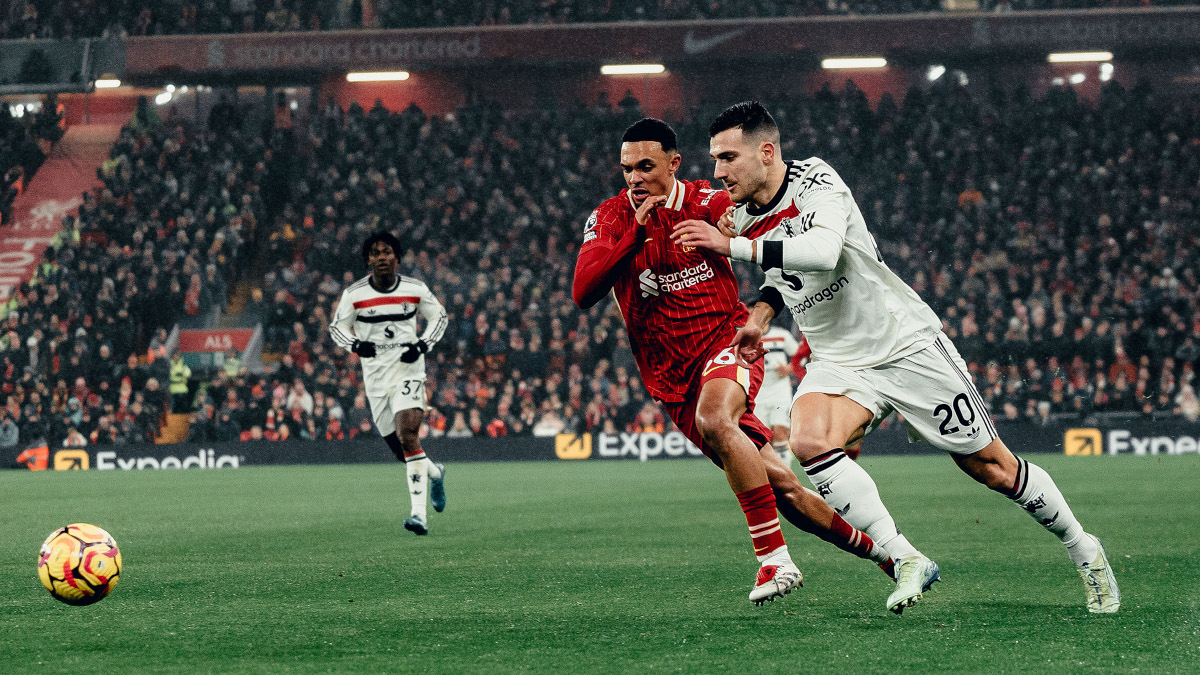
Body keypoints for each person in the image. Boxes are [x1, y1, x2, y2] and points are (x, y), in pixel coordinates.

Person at [672, 101, 1120, 614]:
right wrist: (760, 317)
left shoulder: (816, 181)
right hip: (839, 357)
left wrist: (731, 248)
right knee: (810, 440)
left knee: (993, 468)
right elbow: (785, 272)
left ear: (766, 152)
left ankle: (1084, 548)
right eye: (713, 159)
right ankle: (906, 557)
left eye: (727, 157)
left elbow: (820, 253)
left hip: (903, 344)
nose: (717, 171)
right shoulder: (742, 215)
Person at [573, 118, 896, 606]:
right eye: (626, 170)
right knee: (781, 485)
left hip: (727, 345)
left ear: (674, 164)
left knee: (715, 417)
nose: (634, 178)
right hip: (668, 378)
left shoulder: (710, 202)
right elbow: (583, 292)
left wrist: (744, 237)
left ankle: (775, 561)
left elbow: (780, 236)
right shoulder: (612, 217)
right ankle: (894, 558)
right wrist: (634, 238)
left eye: (645, 166)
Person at [329, 231, 449, 536]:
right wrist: (355, 345)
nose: (381, 257)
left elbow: (439, 317)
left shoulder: (415, 289)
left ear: (396, 257)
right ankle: (436, 473)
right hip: (376, 381)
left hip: (409, 373)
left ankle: (418, 516)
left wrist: (423, 345)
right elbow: (337, 328)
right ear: (368, 260)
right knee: (401, 451)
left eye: (387, 252)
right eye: (375, 252)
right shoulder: (354, 295)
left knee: (408, 435)